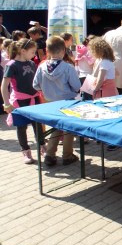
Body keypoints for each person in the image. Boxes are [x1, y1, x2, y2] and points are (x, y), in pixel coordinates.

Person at [33, 36, 81, 166]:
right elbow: (77, 86)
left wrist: (46, 89)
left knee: (55, 127)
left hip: (50, 102)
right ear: (63, 51)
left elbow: (35, 85)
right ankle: (67, 155)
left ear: (47, 51)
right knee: (68, 129)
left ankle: (50, 154)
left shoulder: (41, 67)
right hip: (67, 101)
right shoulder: (68, 67)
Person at [1, 38, 47, 164]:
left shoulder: (32, 64)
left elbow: (37, 81)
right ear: (22, 51)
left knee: (37, 124)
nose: (34, 55)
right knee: (21, 127)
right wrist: (6, 103)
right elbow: (4, 86)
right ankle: (26, 151)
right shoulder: (12, 65)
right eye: (32, 52)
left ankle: (43, 147)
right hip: (20, 101)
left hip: (34, 98)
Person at [75, 36, 95, 100]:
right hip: (90, 77)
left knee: (82, 96)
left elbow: (77, 63)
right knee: (89, 98)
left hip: (81, 76)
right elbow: (92, 65)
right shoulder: (90, 52)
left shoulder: (80, 51)